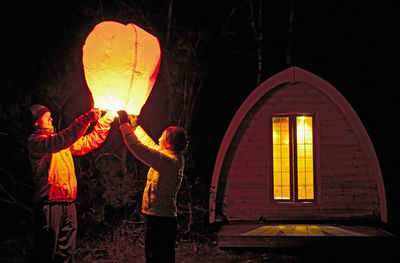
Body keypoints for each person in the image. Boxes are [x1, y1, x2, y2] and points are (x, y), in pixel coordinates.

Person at [27, 104, 114, 262]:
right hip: (49, 204)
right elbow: (62, 139)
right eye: (46, 116)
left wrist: (106, 120)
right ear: (36, 123)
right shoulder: (37, 143)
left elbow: (88, 142)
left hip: (68, 204)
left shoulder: (59, 143)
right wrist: (86, 119)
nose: (51, 118)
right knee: (46, 252)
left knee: (66, 254)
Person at [117, 110, 188, 263]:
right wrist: (135, 127)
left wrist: (124, 125)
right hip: (162, 217)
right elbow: (150, 147)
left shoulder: (169, 162)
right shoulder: (172, 157)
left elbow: (140, 149)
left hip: (160, 220)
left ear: (168, 143)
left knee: (156, 258)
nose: (158, 138)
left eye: (162, 137)